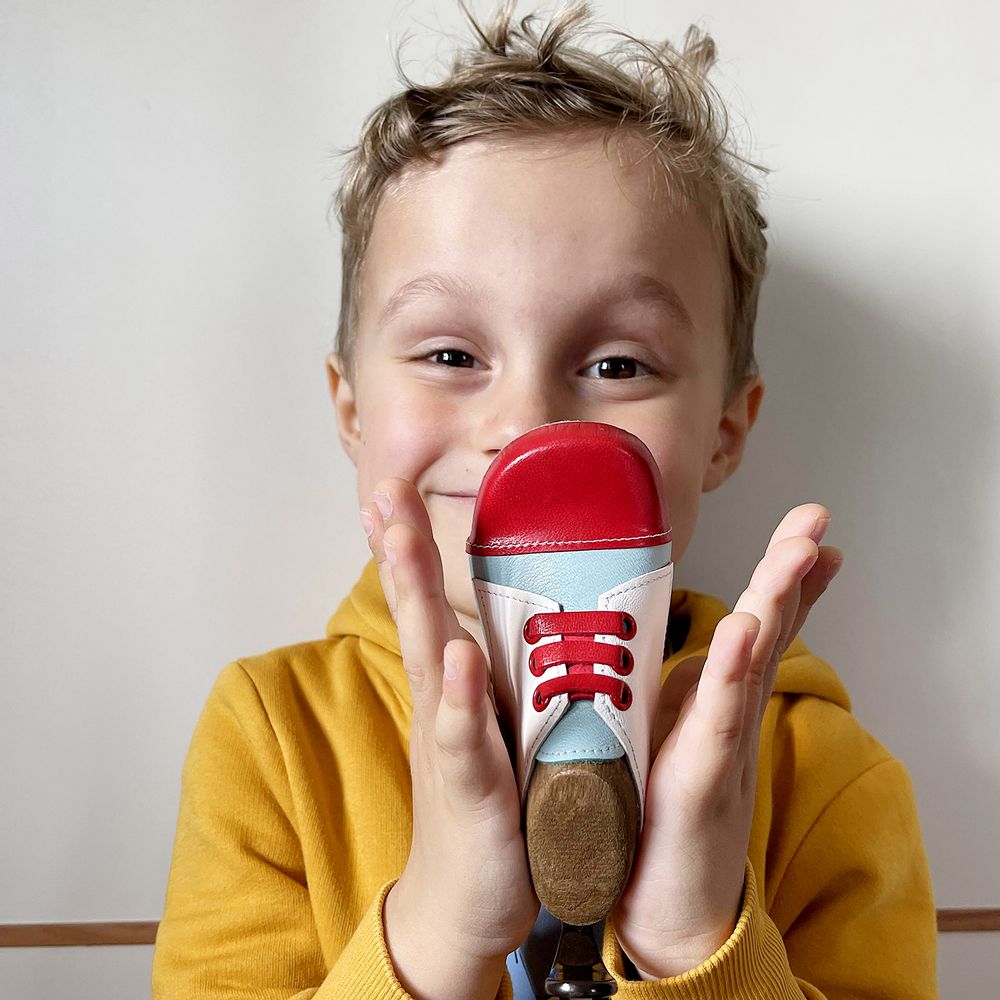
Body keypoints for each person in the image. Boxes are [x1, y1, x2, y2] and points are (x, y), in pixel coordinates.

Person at [151, 3, 938, 997]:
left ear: (724, 432)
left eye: (615, 362)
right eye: (449, 353)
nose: (529, 427)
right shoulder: (272, 741)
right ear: (350, 408)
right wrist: (433, 936)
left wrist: (700, 939)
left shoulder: (821, 772)